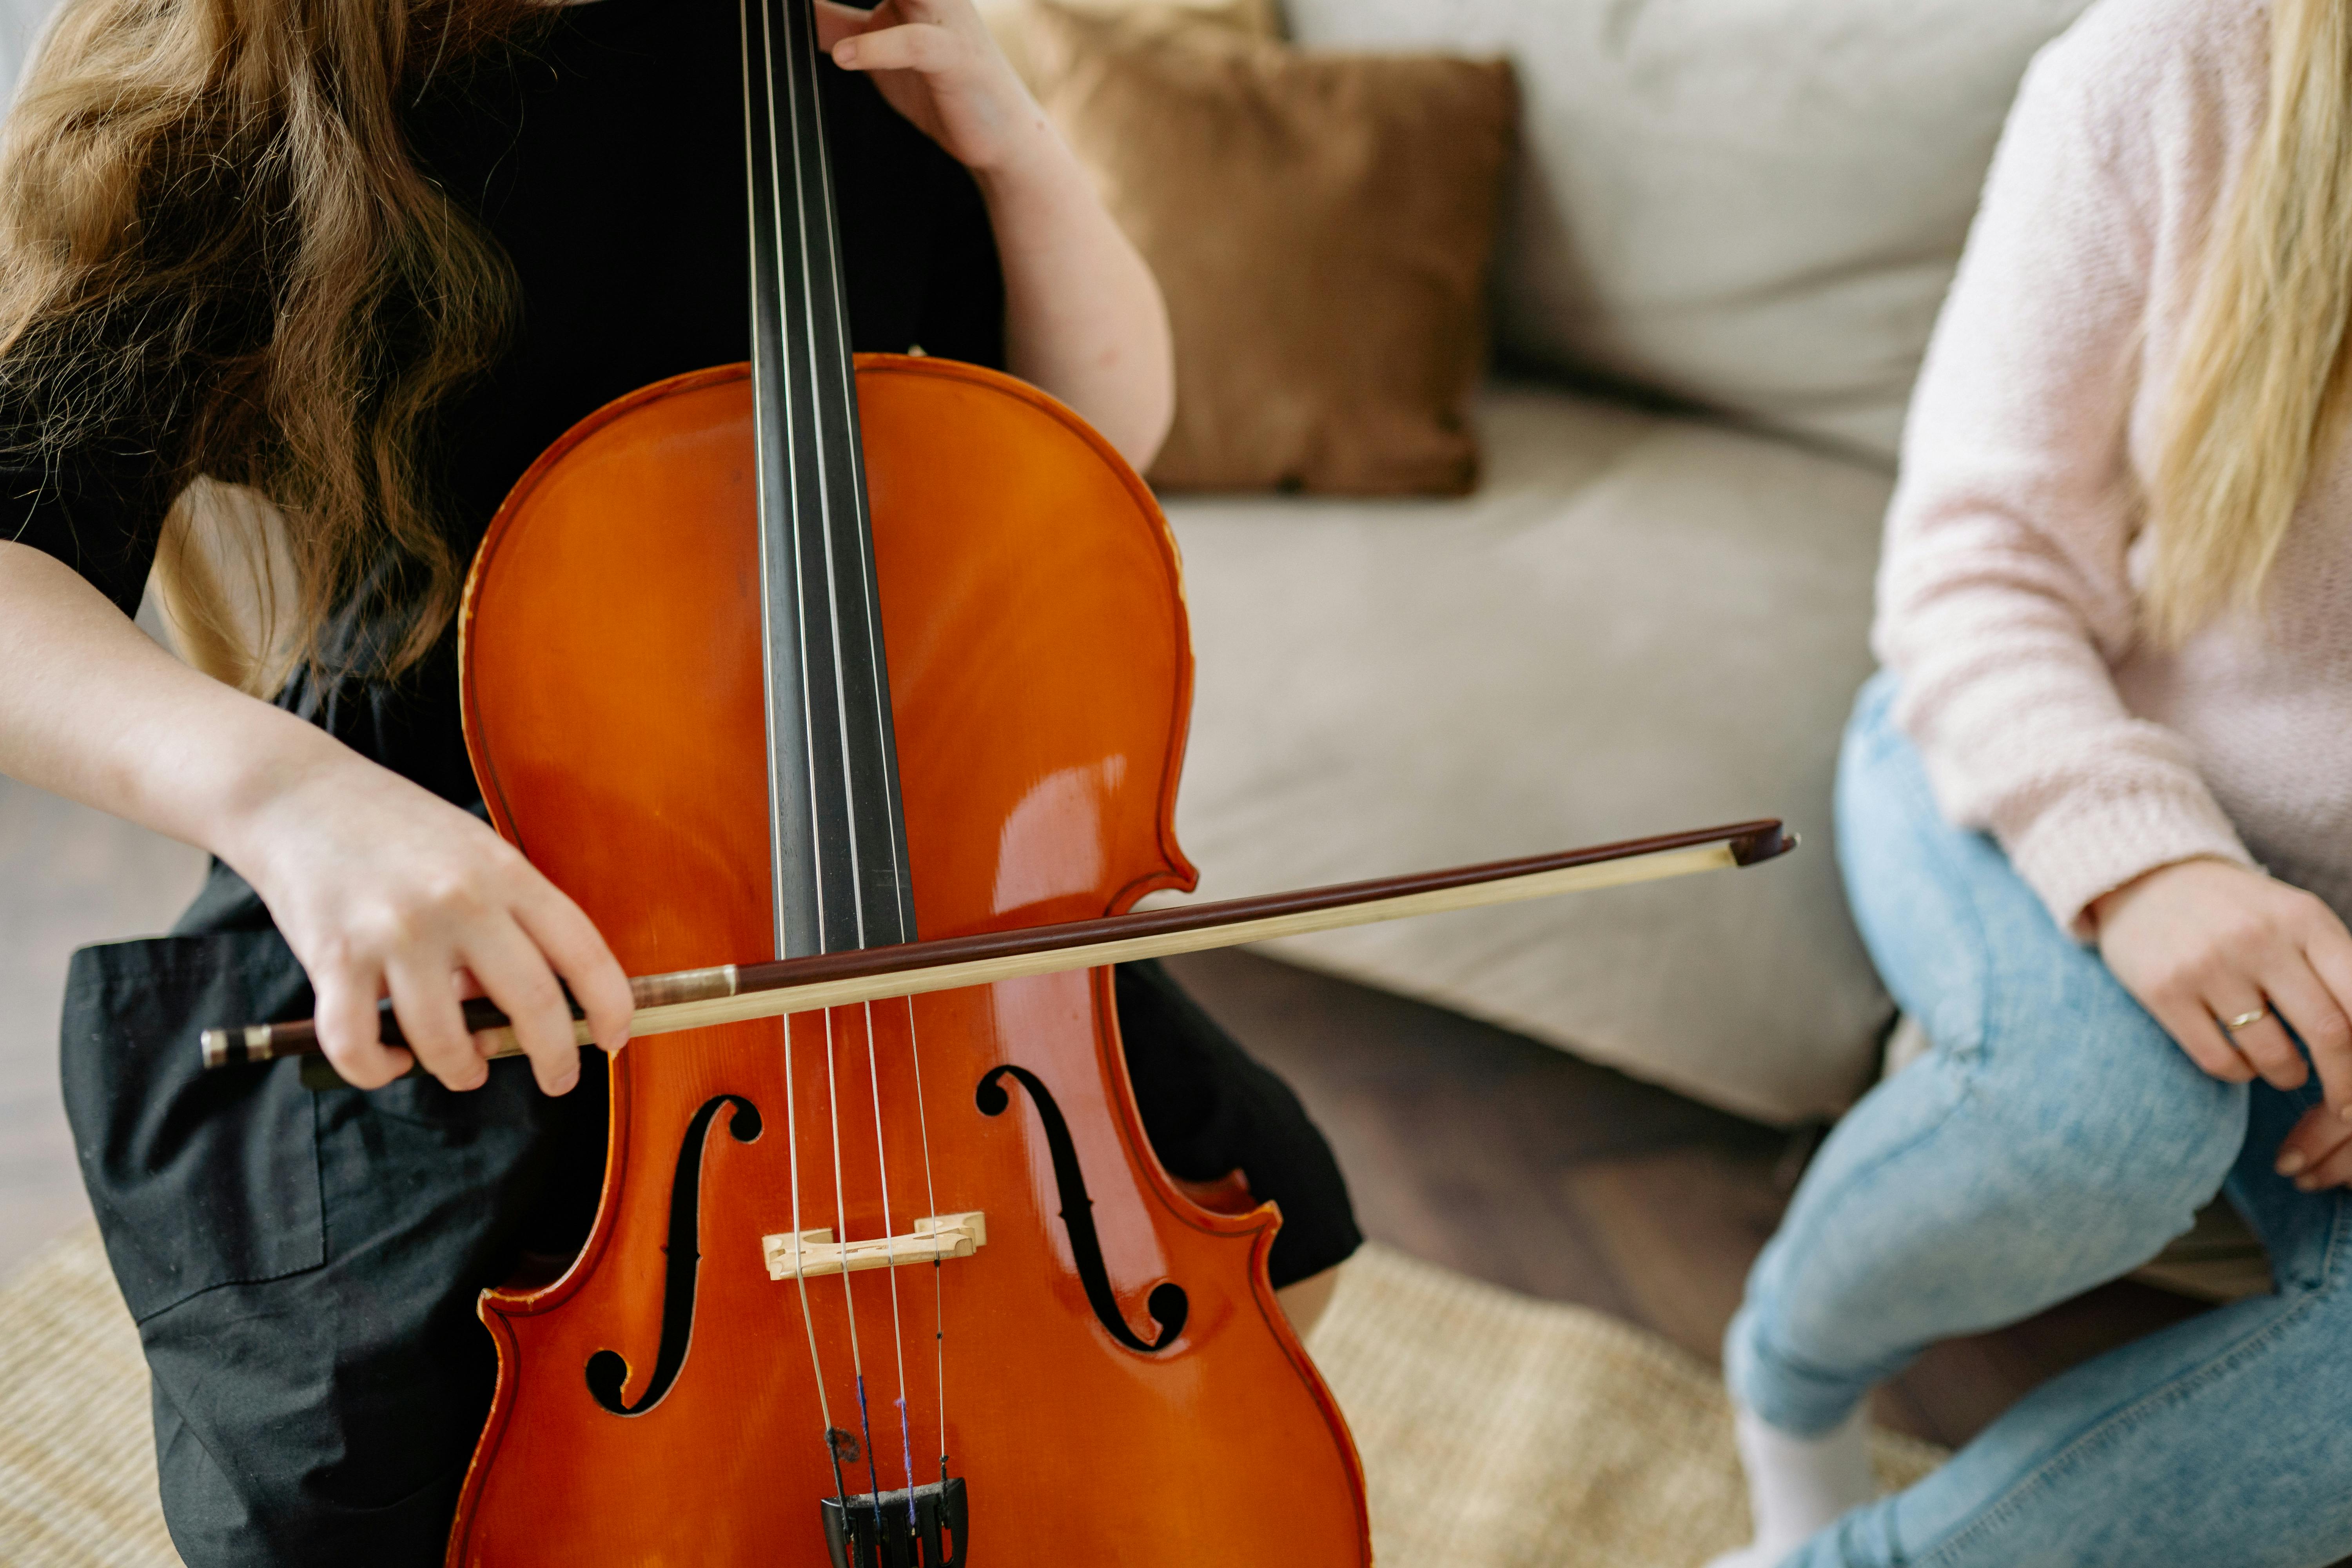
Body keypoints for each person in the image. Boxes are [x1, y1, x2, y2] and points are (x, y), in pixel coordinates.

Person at [0, 0, 1361, 1562]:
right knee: (367, 1488)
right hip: (460, 869)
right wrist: (286, 800)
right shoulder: (246, 89)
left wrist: (1014, 152)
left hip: (872, 856)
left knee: (1258, 1242)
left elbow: (1091, 442)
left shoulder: (829, 32)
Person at [1705, 1, 2352, 1564]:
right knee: (2107, 1119)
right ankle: (1787, 1378)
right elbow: (1971, 567)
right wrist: (2147, 865)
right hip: (2031, 744)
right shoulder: (2171, 65)